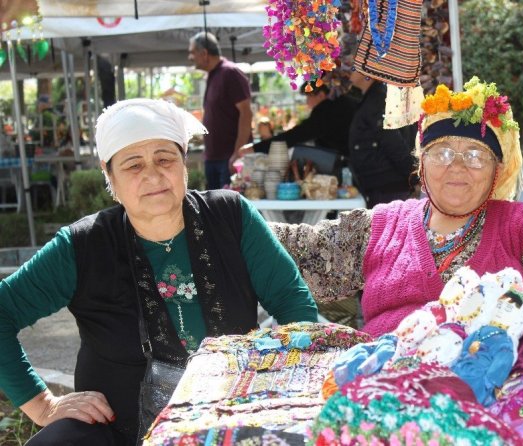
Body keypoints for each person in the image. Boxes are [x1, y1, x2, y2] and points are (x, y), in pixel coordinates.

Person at [270, 77, 523, 376]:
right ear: (421, 164)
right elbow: (297, 249)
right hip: (382, 394)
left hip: (494, 400)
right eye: (442, 152)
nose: (458, 166)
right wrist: (237, 216)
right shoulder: (380, 226)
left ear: (497, 171)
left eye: (476, 155)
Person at [0, 99, 318, 445]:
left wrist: (287, 388)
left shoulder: (230, 216)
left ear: (184, 163)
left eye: (165, 159)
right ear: (110, 176)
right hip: (119, 433)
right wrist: (43, 405)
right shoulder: (83, 246)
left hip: (230, 423)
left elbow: (292, 302)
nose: (152, 176)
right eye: (133, 165)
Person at [188, 31, 252, 189]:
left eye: (193, 52)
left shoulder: (230, 72)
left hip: (229, 159)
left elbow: (246, 113)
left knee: (228, 203)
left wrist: (238, 153)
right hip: (213, 158)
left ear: (204, 53)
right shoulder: (213, 75)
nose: (190, 57)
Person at [347, 71, 417, 208]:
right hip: (385, 187)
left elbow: (394, 144)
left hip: (388, 189)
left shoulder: (378, 100)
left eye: (353, 66)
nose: (348, 69)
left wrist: (413, 177)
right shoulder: (374, 97)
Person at [245, 81, 357, 159]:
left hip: (349, 159)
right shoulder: (344, 102)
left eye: (308, 96)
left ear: (321, 95)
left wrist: (256, 148)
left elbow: (296, 135)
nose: (307, 101)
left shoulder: (326, 109)